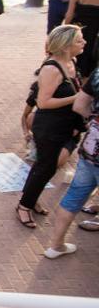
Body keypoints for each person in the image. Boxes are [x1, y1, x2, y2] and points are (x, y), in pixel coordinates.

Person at [16, 25, 85, 228]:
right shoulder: (51, 69)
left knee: (45, 167)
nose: (85, 42)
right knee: (45, 167)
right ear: (66, 45)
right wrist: (76, 97)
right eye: (80, 40)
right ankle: (24, 206)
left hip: (67, 126)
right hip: (49, 127)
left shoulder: (72, 61)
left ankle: (31, 198)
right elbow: (43, 103)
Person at [43, 67, 99, 258]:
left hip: (91, 148)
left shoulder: (98, 72)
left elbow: (79, 106)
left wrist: (93, 120)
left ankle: (56, 245)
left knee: (75, 195)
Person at [65, 0, 99, 78]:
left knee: (78, 64)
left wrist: (64, 29)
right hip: (96, 34)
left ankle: (77, 89)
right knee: (93, 65)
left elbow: (69, 15)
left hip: (80, 32)